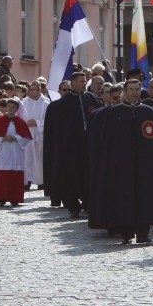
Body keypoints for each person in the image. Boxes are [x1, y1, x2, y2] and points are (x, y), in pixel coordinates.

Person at [87, 79, 153, 244]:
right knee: (124, 198)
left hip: (144, 165)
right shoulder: (113, 114)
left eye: (137, 89)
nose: (135, 92)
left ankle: (143, 233)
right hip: (122, 165)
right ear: (124, 90)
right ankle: (126, 232)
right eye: (131, 89)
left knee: (145, 198)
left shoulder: (149, 112)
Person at [45, 71, 100, 218]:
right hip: (71, 147)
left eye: (84, 81)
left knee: (89, 176)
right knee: (71, 177)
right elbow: (59, 128)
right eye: (81, 81)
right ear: (73, 83)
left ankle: (89, 204)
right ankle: (73, 206)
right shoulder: (63, 103)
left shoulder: (91, 98)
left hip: (89, 145)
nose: (84, 83)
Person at [0, 99, 32, 206]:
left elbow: (26, 138)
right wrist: (3, 139)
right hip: (3, 151)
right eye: (8, 107)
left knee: (16, 175)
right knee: (3, 175)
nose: (10, 109)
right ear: (6, 107)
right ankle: (1, 198)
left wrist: (15, 138)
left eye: (13, 107)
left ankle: (15, 198)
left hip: (16, 151)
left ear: (17, 109)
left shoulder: (20, 122)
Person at [21, 81, 49, 190]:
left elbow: (48, 119)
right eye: (30, 89)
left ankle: (40, 181)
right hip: (27, 133)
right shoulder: (23, 103)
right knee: (27, 157)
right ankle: (26, 180)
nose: (32, 92)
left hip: (39, 133)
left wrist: (37, 122)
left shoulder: (46, 103)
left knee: (39, 157)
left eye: (34, 89)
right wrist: (25, 122)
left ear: (39, 90)